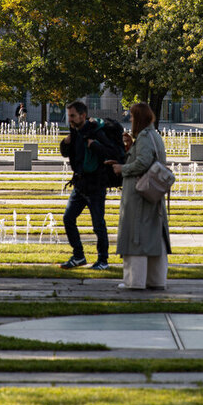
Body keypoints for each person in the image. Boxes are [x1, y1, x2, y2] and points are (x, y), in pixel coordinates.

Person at [110, 103, 170, 290]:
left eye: (133, 116)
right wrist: (130, 149)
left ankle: (134, 280)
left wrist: (122, 169)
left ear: (139, 119)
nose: (130, 119)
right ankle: (155, 279)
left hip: (139, 195)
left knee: (136, 236)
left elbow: (143, 163)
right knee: (153, 237)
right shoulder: (154, 136)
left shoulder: (144, 137)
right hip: (152, 195)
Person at [59, 101, 121, 270]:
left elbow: (112, 153)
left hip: (95, 185)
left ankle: (103, 260)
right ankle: (78, 255)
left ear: (83, 116)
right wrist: (65, 142)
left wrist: (95, 145)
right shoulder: (74, 132)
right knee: (68, 219)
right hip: (79, 184)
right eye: (69, 115)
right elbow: (66, 153)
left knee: (98, 225)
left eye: (72, 116)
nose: (70, 119)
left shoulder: (96, 132)